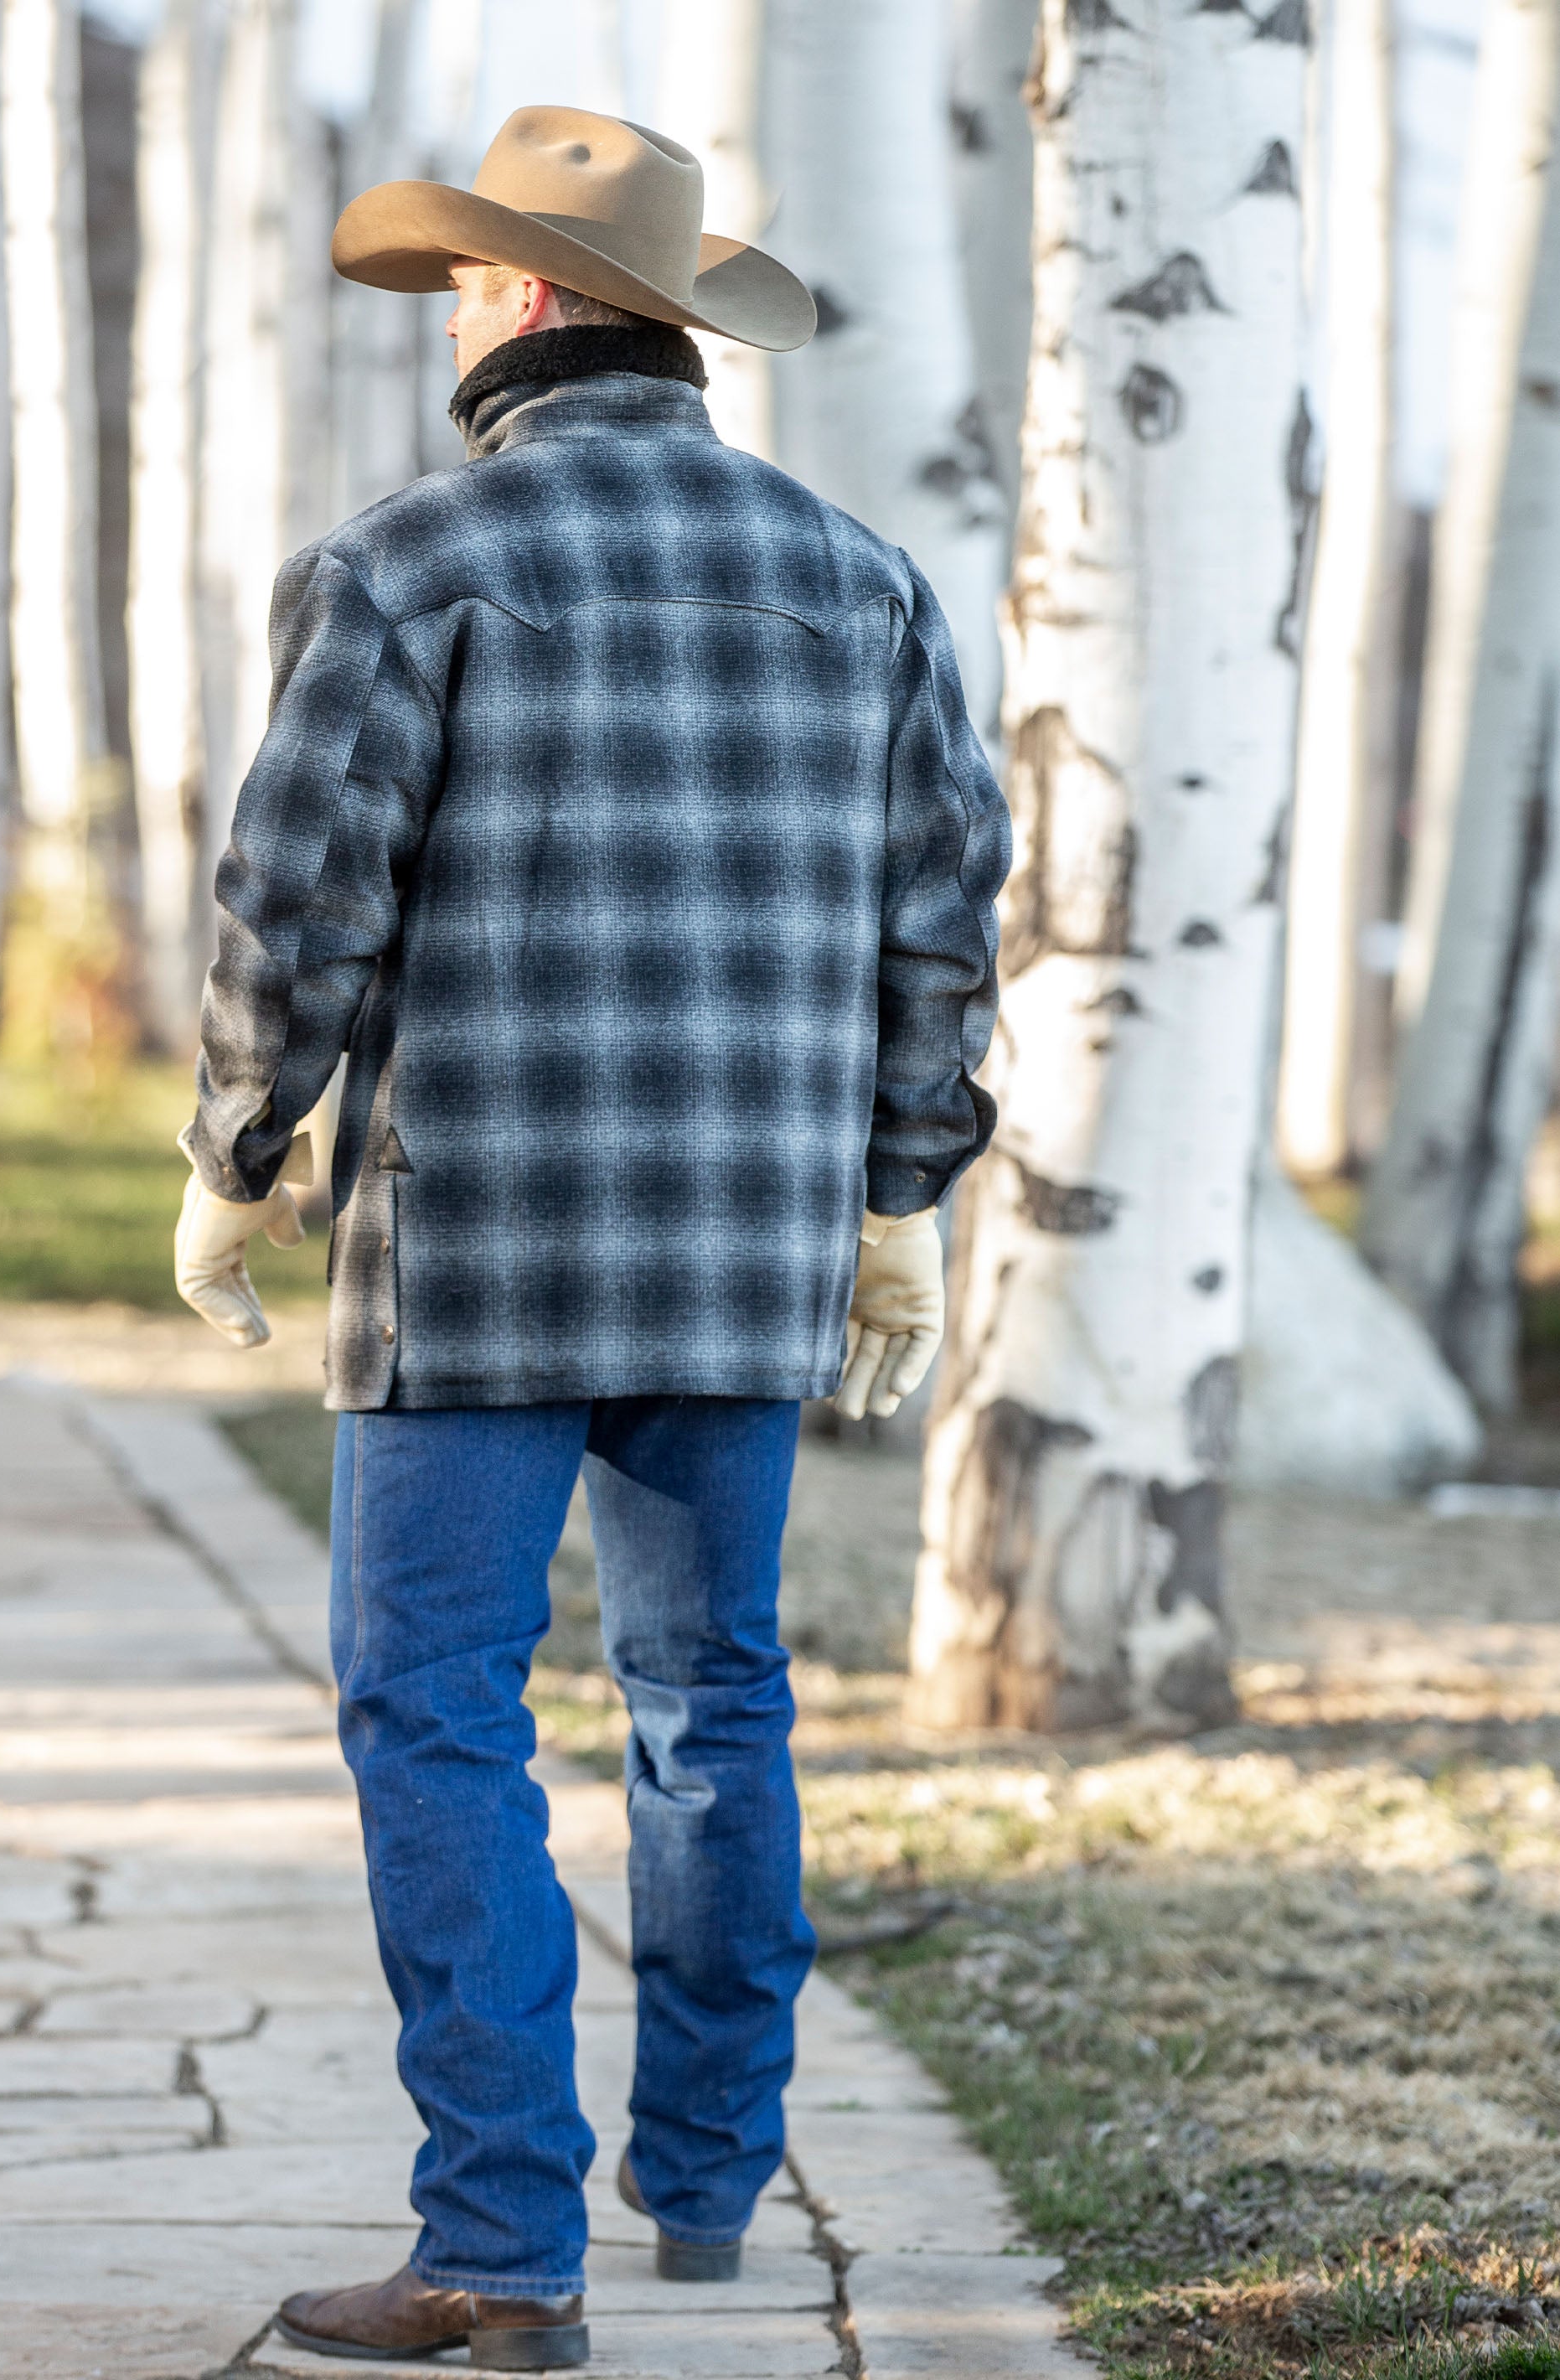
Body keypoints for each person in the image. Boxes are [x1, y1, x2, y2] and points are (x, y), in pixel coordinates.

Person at [173, 104, 1010, 2372]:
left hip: (469, 1258)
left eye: (469, 275)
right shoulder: (859, 579)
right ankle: (713, 2186)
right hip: (738, 1254)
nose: (454, 308)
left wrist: (235, 1146)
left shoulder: (406, 567)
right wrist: (897, 1196)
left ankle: (496, 2248)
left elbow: (295, 905)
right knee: (708, 1700)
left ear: (527, 304)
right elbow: (945, 922)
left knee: (435, 1707)